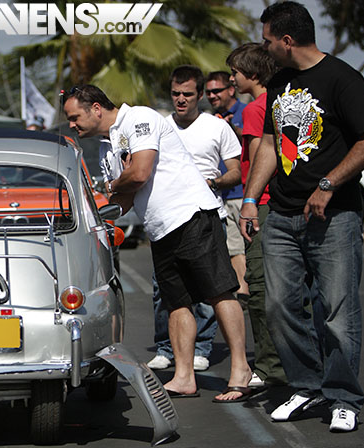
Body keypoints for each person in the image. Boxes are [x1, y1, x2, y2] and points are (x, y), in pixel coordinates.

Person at [240, 1, 364, 431]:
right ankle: (306, 385)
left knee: (338, 310)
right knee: (281, 306)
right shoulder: (281, 82)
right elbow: (269, 144)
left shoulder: (342, 78)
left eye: (267, 40)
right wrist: (251, 199)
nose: (264, 48)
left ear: (287, 40)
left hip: (333, 216)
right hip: (282, 214)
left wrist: (329, 184)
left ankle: (343, 396)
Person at [64, 85, 252, 402]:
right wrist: (93, 218)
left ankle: (241, 369)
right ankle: (184, 376)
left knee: (219, 291)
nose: (71, 124)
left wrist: (111, 185)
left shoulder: (139, 117)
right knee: (175, 302)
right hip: (160, 229)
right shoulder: (105, 146)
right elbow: (122, 197)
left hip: (192, 216)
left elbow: (138, 173)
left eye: (74, 117)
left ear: (96, 108)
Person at [147, 66, 242, 373]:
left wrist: (212, 182)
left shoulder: (216, 127)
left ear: (200, 95)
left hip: (205, 215)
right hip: (166, 220)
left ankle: (201, 347)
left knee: (210, 288)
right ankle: (166, 348)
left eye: (188, 94)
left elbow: (235, 172)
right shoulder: (159, 127)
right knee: (165, 291)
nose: (181, 100)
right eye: (175, 94)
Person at [226, 42, 287, 389]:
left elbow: (255, 162)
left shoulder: (253, 110)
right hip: (282, 202)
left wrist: (250, 202)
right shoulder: (281, 102)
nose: (233, 79)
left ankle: (268, 366)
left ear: (252, 74)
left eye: (235, 73)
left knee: (260, 290)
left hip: (260, 204)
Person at [206, 71, 250, 303]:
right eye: (209, 92)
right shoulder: (211, 118)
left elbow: (255, 143)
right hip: (221, 194)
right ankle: (242, 290)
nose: (212, 96)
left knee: (251, 245)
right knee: (233, 246)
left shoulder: (245, 112)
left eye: (217, 91)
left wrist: (232, 127)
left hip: (246, 193)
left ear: (231, 90)